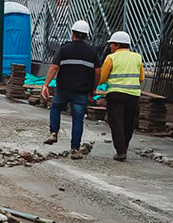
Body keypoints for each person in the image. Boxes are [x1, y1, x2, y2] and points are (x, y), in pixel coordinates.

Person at [41, 20, 101, 159]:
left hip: (63, 88)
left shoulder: (64, 48)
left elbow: (54, 67)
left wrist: (46, 84)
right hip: (81, 91)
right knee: (78, 119)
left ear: (73, 34)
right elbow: (98, 72)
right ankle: (75, 149)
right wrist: (94, 88)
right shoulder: (92, 52)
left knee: (55, 108)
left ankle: (53, 132)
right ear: (86, 36)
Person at [99, 31, 144, 161]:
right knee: (129, 123)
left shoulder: (111, 58)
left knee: (116, 122)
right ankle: (125, 147)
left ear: (117, 44)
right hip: (133, 96)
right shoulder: (137, 57)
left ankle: (120, 150)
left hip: (115, 95)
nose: (110, 47)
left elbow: (102, 78)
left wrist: (96, 86)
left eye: (112, 44)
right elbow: (141, 77)